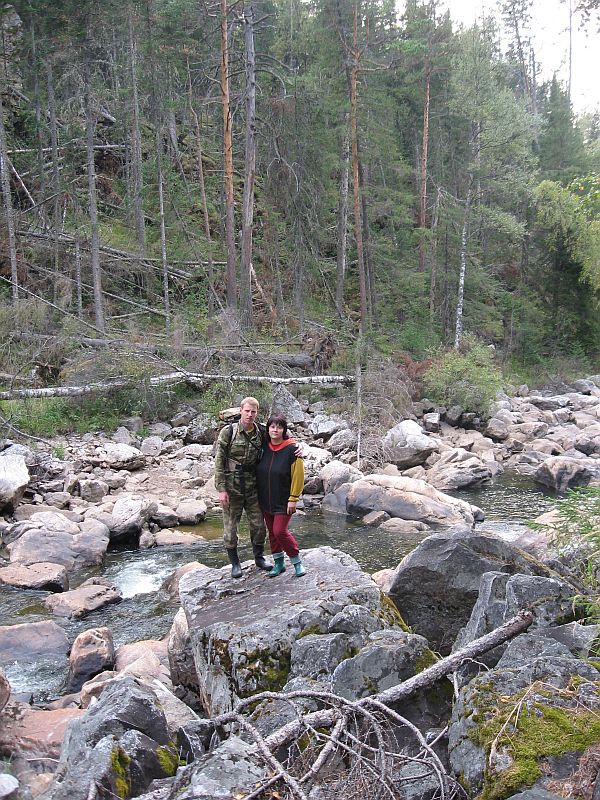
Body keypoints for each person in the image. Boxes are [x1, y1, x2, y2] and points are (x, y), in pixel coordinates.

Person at [214, 396, 272, 578]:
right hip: (232, 486)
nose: (250, 414)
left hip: (254, 486)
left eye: (253, 411)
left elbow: (279, 441)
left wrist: (295, 448)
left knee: (259, 526)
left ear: (257, 413)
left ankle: (259, 558)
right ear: (241, 411)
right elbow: (219, 461)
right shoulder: (228, 432)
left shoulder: (261, 431)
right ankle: (235, 563)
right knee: (231, 528)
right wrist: (221, 489)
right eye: (247, 411)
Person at [255, 413, 306, 578]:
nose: (275, 430)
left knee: (279, 531)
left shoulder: (292, 450)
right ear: (268, 429)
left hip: (284, 500)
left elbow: (298, 476)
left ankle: (297, 562)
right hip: (265, 499)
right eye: (272, 427)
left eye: (279, 427)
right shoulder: (264, 446)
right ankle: (279, 564)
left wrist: (294, 498)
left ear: (284, 430)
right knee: (272, 532)